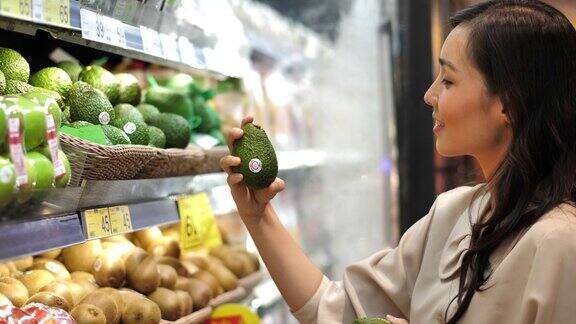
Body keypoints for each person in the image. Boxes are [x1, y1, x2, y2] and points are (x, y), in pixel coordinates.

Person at [220, 0, 576, 323]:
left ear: (508, 105)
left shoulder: (560, 243)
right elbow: (337, 311)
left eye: (448, 80)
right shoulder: (455, 213)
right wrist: (258, 215)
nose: (429, 95)